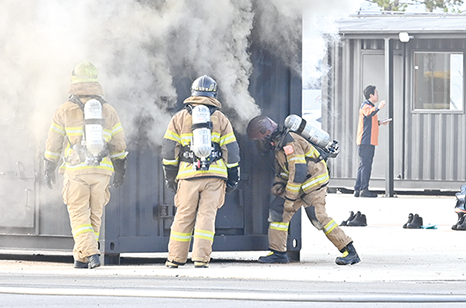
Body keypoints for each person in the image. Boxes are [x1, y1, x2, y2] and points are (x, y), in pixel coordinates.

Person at [43, 61, 128, 270]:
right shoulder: (108, 110)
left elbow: (53, 143)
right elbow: (119, 143)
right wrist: (120, 169)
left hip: (77, 170)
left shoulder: (64, 110)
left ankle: (90, 253)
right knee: (94, 215)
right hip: (102, 170)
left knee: (79, 214)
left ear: (74, 80)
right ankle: (81, 258)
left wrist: (49, 166)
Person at [247, 115, 360, 266]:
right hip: (299, 184)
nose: (259, 144)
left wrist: (291, 199)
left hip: (313, 183)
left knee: (318, 217)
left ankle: (349, 250)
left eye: (258, 140)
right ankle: (278, 253)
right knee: (277, 210)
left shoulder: (290, 142)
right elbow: (283, 171)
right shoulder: (279, 145)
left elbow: (298, 170)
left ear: (265, 133)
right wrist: (279, 185)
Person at [161, 75, 241, 268]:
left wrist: (171, 176)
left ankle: (175, 259)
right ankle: (201, 259)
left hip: (188, 176)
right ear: (214, 93)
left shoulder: (179, 118)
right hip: (214, 177)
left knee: (183, 216)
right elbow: (232, 151)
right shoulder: (221, 119)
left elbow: (168, 149)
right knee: (207, 217)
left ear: (193, 93)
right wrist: (232, 178)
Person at [354, 85, 391, 197]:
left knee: (364, 165)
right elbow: (369, 113)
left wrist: (380, 122)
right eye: (376, 93)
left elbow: (369, 121)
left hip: (368, 140)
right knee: (366, 165)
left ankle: (358, 189)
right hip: (366, 140)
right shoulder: (366, 106)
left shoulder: (369, 106)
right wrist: (379, 107)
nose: (378, 95)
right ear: (371, 95)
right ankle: (364, 189)